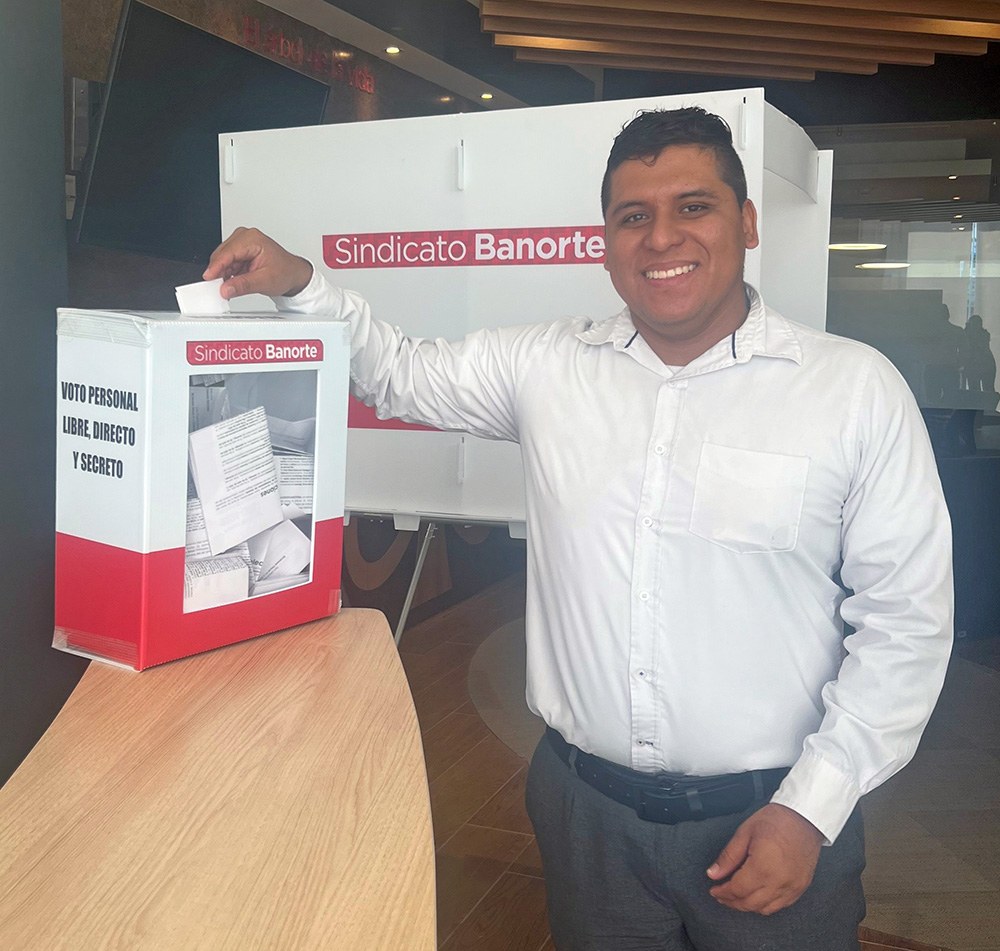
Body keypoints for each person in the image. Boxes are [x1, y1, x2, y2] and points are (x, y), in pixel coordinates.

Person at [204, 107, 953, 950]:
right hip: (584, 817)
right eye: (634, 216)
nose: (661, 237)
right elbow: (399, 373)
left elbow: (906, 622)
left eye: (694, 206)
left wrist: (812, 808)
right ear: (605, 241)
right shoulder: (548, 367)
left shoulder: (853, 390)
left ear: (746, 222)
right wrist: (299, 282)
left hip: (773, 821)